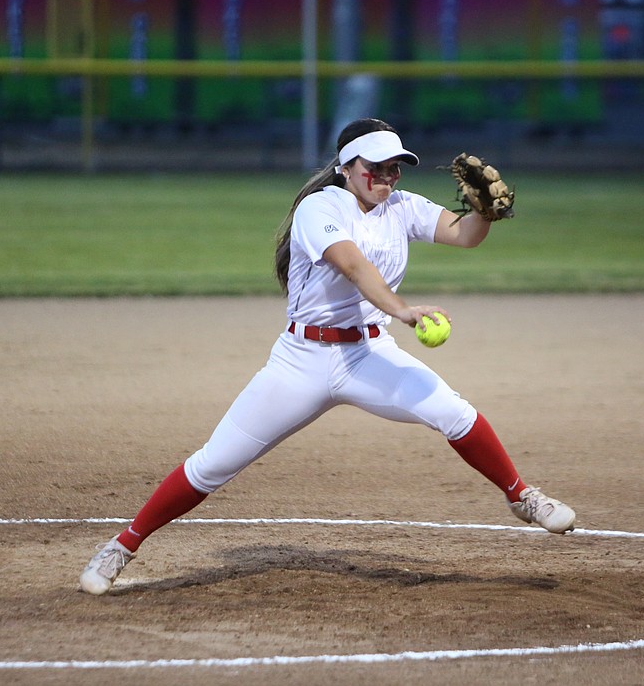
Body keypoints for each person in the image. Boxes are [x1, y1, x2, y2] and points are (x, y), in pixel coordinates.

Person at [79, 118, 576, 596]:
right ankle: (122, 546)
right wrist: (402, 310)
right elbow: (353, 265)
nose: (386, 177)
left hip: (368, 352)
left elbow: (464, 234)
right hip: (302, 360)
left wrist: (484, 214)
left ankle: (521, 495)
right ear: (347, 167)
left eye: (395, 167)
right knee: (214, 464)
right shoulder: (321, 208)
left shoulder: (402, 205)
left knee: (453, 412)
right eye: (375, 167)